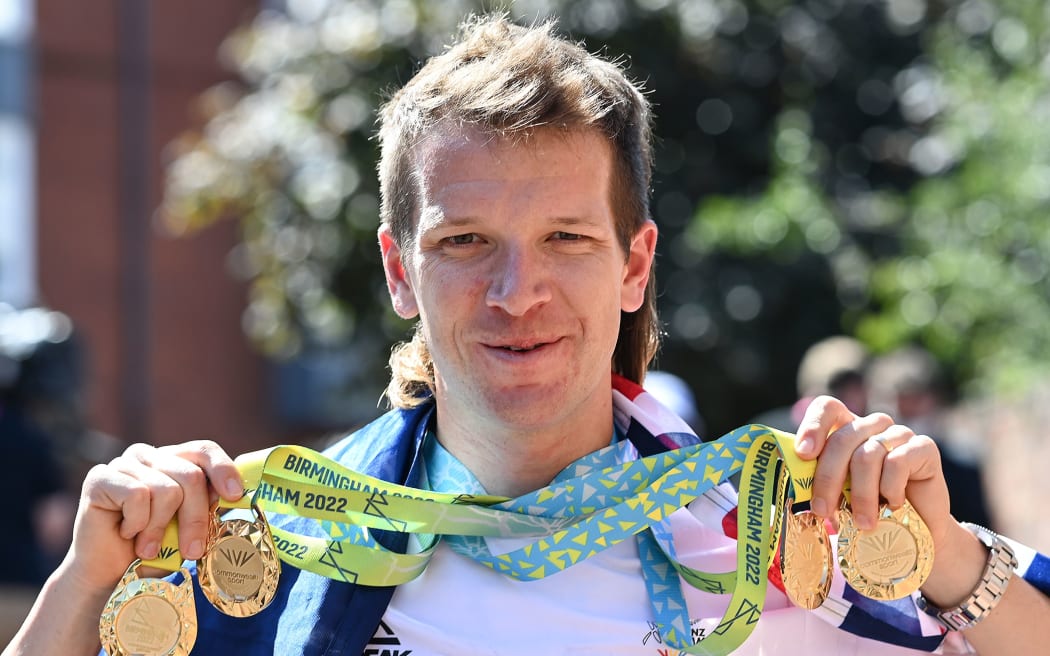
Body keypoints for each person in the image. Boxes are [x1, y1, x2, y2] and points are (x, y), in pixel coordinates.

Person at [6, 14, 1050, 656]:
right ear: (399, 269)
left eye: (564, 237)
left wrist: (955, 558)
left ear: (635, 265)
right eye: (464, 240)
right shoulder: (272, 548)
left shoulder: (774, 538)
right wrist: (81, 583)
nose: (518, 290)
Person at [868, 345, 994, 529]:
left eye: (916, 399)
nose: (908, 408)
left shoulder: (962, 468)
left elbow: (982, 533)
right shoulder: (869, 467)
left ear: (934, 399)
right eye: (899, 399)